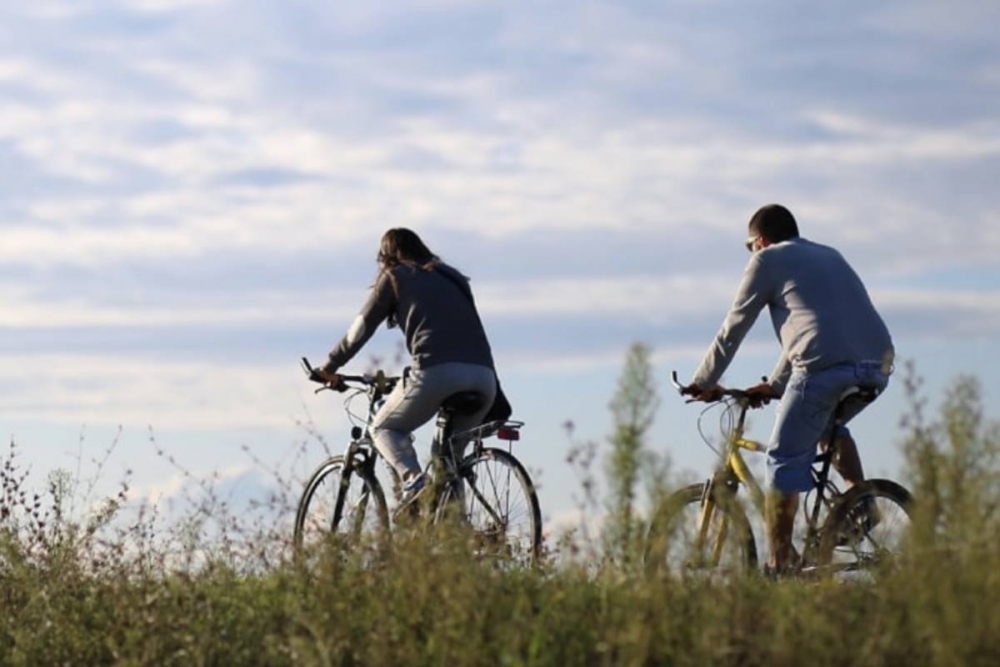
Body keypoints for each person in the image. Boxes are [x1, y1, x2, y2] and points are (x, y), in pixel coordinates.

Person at [683, 204, 894, 574]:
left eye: (750, 246)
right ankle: (858, 500)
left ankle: (779, 564)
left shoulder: (766, 260)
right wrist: (774, 386)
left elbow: (734, 326)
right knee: (825, 426)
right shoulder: (829, 255)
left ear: (761, 240)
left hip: (824, 369)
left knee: (781, 460)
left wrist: (704, 381)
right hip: (877, 365)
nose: (751, 253)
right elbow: (813, 327)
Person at [312, 228, 497, 510]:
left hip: (436, 373)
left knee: (382, 427)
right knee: (448, 463)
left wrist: (329, 367)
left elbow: (361, 328)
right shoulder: (454, 277)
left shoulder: (395, 276)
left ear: (386, 257)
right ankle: (457, 532)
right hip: (485, 378)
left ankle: (414, 482)